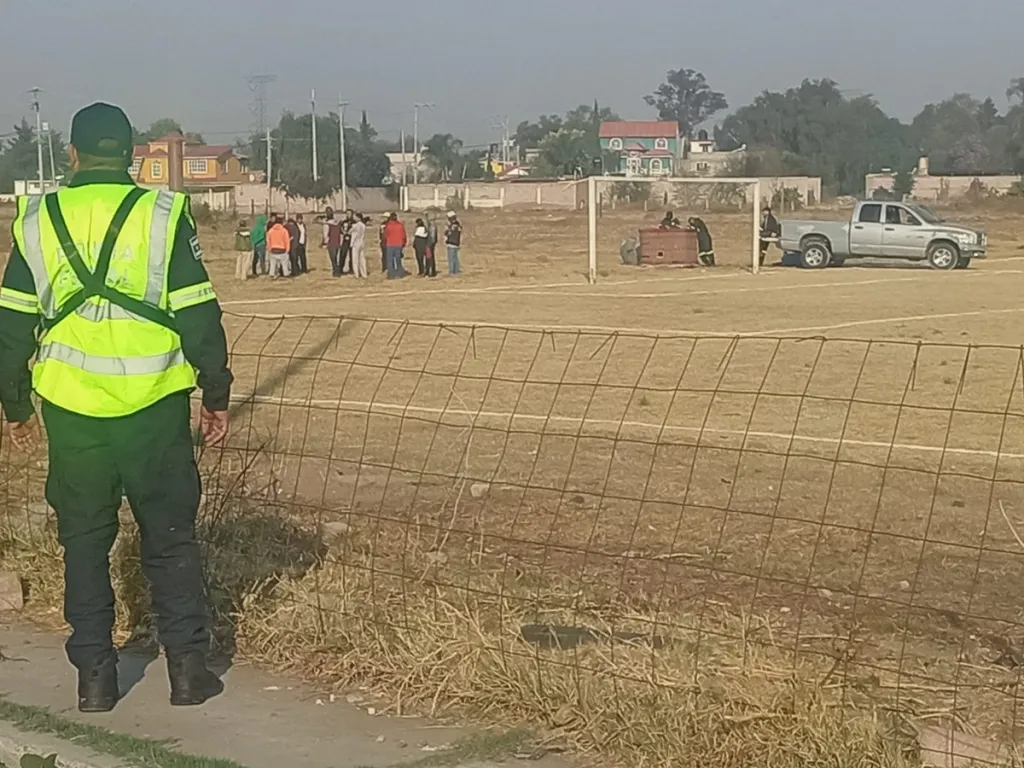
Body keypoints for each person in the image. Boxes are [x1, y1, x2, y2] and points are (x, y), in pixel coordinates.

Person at [0, 102, 232, 712]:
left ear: (72, 154)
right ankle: (188, 671)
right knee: (171, 538)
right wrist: (216, 393)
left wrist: (15, 404)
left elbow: (12, 324)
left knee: (84, 541)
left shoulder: (38, 219)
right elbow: (199, 312)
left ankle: (95, 680)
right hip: (154, 406)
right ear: (131, 155)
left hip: (72, 410)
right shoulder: (163, 213)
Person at [383, 213, 408, 279]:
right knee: (398, 259)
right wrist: (404, 243)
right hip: (399, 244)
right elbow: (404, 235)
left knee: (390, 260)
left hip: (390, 244)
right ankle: (399, 274)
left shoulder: (388, 226)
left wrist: (384, 243)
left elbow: (385, 235)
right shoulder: (400, 225)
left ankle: (391, 274)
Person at [323, 209, 343, 278]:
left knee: (333, 258)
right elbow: (341, 233)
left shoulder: (327, 224)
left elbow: (326, 235)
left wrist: (325, 243)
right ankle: (336, 271)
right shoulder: (337, 223)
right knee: (335, 257)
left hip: (331, 243)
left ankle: (336, 271)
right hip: (337, 242)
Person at [444, 211, 463, 275]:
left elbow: (448, 233)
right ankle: (456, 270)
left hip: (451, 243)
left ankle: (451, 271)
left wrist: (447, 230)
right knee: (455, 258)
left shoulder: (451, 226)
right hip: (456, 243)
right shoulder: (458, 224)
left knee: (451, 258)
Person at [350, 214, 368, 279]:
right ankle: (364, 273)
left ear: (358, 218)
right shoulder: (363, 225)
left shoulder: (356, 225)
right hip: (361, 241)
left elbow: (349, 232)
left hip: (356, 242)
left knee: (355, 259)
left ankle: (356, 274)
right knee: (362, 258)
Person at [424, 213, 439, 278]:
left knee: (429, 257)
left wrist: (430, 244)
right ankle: (431, 271)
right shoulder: (432, 225)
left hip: (429, 244)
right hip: (430, 243)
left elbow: (432, 237)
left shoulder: (432, 226)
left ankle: (430, 271)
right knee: (430, 257)